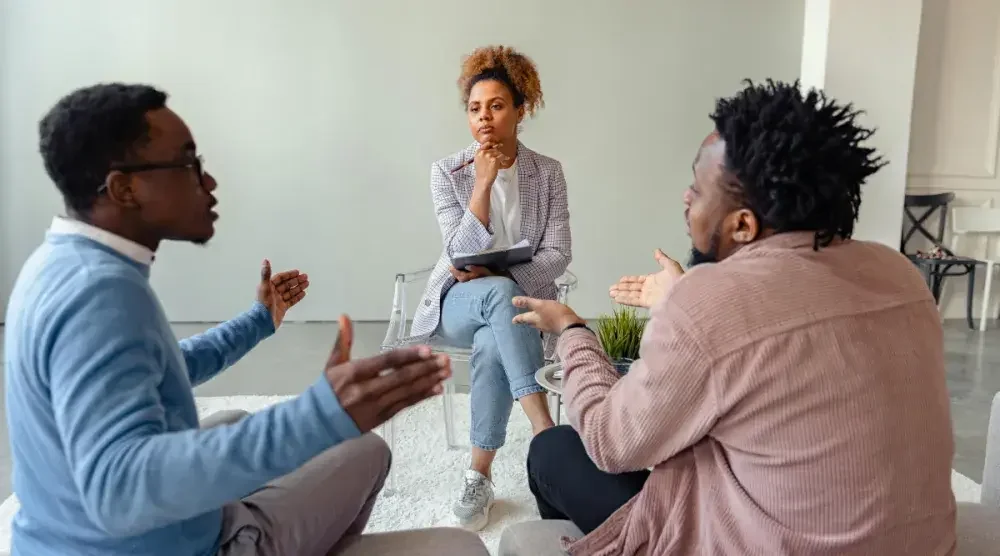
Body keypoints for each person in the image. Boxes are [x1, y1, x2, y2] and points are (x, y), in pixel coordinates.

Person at [4, 83, 489, 556]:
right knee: (369, 454)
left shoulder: (61, 264)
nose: (208, 181)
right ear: (123, 189)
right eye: (188, 163)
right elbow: (119, 489)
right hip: (177, 543)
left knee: (233, 421)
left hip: (59, 536)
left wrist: (259, 320)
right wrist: (320, 416)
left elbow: (159, 369)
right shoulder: (101, 293)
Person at [504, 79, 957, 555]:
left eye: (698, 190)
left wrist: (573, 330)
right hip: (924, 544)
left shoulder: (711, 301)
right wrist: (682, 303)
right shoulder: (899, 273)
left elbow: (609, 442)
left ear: (743, 224)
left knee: (553, 449)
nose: (685, 198)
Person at [410, 45, 572, 530]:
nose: (484, 118)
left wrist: (503, 277)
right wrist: (482, 184)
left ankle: (478, 475)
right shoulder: (448, 172)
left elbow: (559, 253)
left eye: (497, 106)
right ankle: (546, 433)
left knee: (492, 338)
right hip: (456, 303)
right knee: (495, 301)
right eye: (475, 109)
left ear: (521, 111)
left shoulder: (548, 172)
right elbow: (459, 257)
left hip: (512, 308)